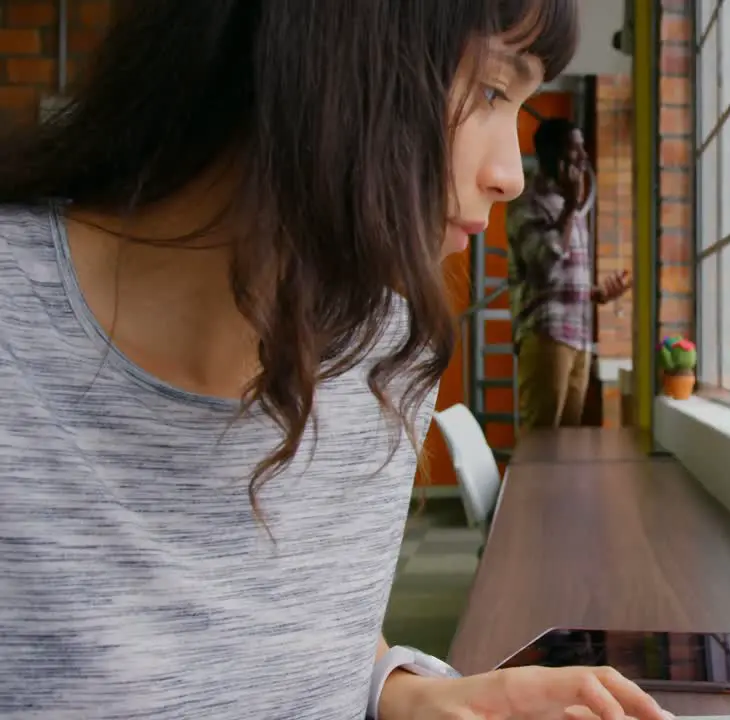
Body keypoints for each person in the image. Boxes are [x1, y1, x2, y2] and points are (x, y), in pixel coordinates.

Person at [0, 1, 668, 719]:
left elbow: (297, 623)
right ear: (341, 43)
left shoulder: (384, 345)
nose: (506, 173)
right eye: (492, 91)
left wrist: (405, 693)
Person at [507, 118, 631, 432]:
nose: (583, 157)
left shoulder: (567, 204)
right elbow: (544, 268)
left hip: (579, 338)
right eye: (575, 149)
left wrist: (597, 293)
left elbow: (559, 279)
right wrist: (570, 209)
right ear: (553, 155)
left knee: (568, 439)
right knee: (541, 437)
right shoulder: (527, 202)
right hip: (547, 334)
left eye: (583, 148)